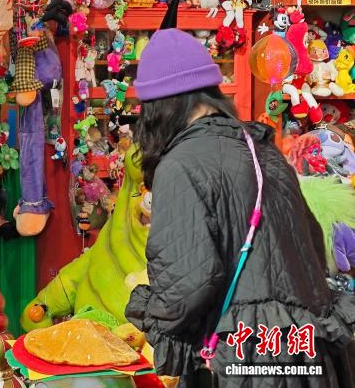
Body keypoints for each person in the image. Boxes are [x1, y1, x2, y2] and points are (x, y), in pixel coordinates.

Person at [125, 25, 355, 387]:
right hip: (309, 351)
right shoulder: (263, 150)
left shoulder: (181, 164)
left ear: (157, 108)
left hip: (247, 360)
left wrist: (146, 308)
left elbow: (186, 285)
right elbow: (311, 243)